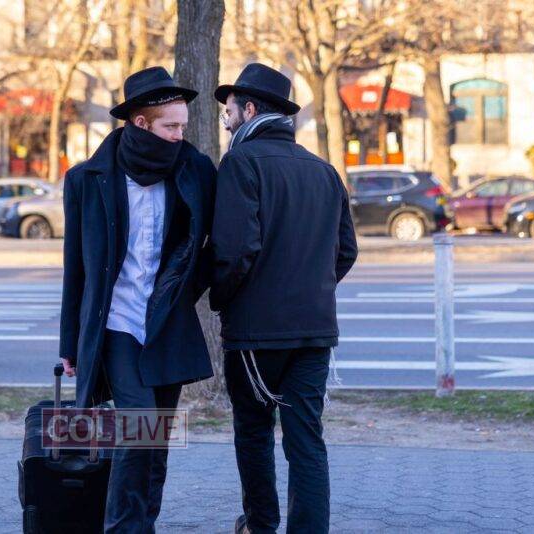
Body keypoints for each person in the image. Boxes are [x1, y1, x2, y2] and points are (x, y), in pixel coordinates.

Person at [58, 66, 217, 533]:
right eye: (171, 126)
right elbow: (76, 268)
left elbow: (212, 244)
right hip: (117, 324)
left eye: (183, 125)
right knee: (138, 427)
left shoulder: (194, 170)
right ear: (140, 123)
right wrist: (71, 342)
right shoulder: (87, 179)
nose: (180, 135)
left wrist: (185, 289)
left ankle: (143, 523)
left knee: (157, 437)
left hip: (167, 323)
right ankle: (122, 527)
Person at [210, 63, 358, 534]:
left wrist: (223, 300)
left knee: (254, 432)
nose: (227, 122)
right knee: (306, 439)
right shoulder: (324, 170)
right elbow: (346, 251)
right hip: (315, 330)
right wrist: (312, 287)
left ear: (250, 109)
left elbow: (235, 252)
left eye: (229, 112)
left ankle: (260, 525)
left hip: (256, 331)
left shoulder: (241, 163)